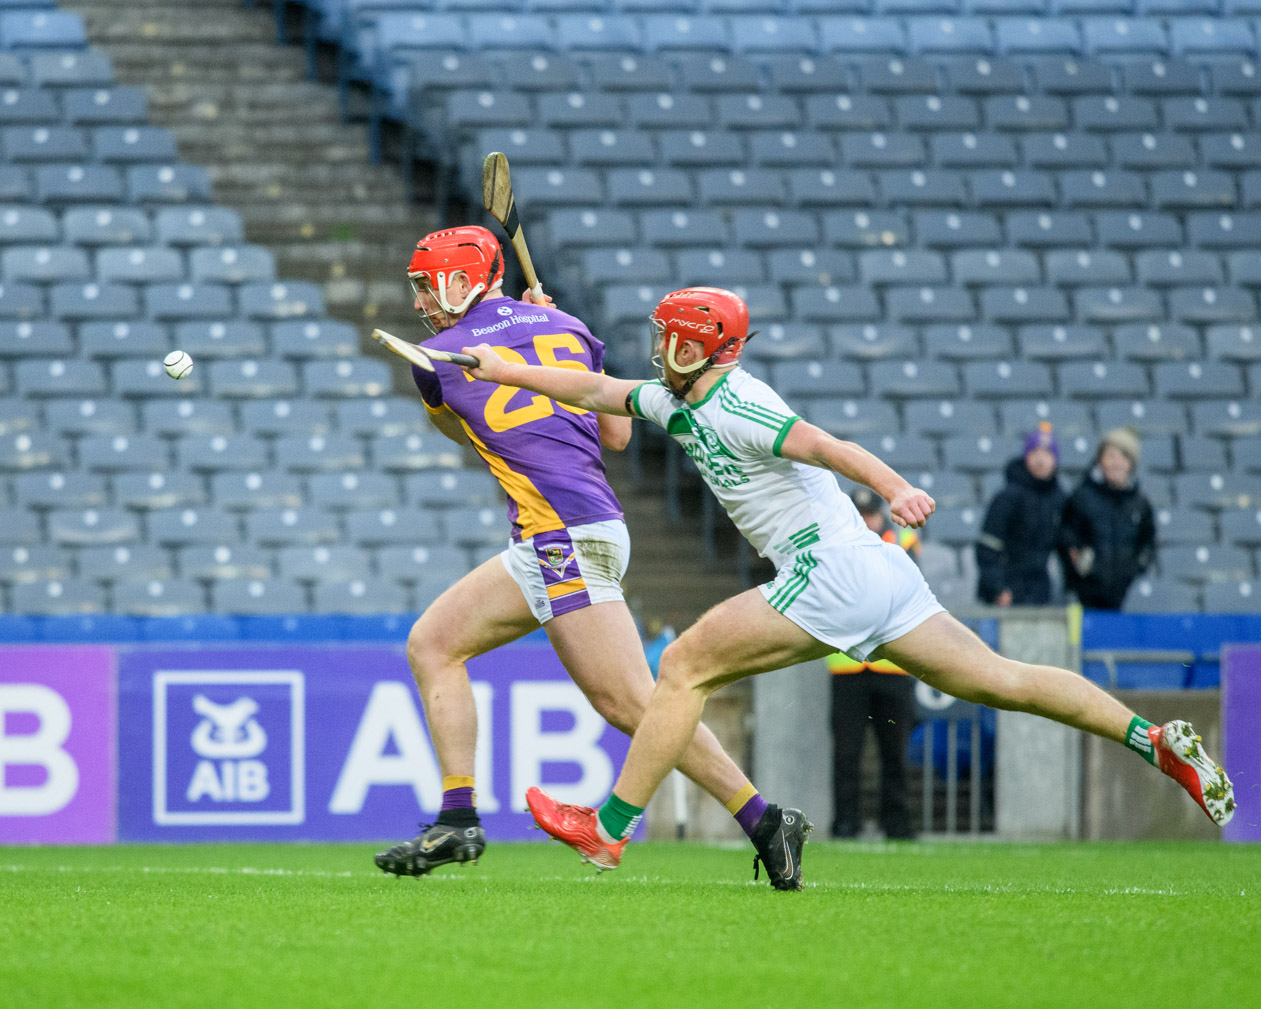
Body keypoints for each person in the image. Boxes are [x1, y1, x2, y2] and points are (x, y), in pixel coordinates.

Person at [456, 286, 1235, 884]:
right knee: (1006, 680)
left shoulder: (739, 403)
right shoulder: (675, 397)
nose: (657, 346)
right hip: (874, 571)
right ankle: (1154, 740)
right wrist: (504, 367)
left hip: (826, 565)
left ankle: (611, 825)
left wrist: (894, 486)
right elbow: (595, 393)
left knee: (683, 665)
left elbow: (826, 444)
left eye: (669, 338)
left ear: (696, 348)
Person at [373, 231, 800, 888]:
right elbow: (617, 432)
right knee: (433, 643)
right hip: (574, 529)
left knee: (631, 702)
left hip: (559, 535)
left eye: (432, 286)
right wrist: (545, 325)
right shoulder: (569, 324)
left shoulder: (433, 357)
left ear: (464, 282)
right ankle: (457, 816)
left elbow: (459, 426)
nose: (424, 302)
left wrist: (509, 341)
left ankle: (765, 819)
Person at [829, 488, 918, 840]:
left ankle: (897, 823)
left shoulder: (903, 542)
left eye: (871, 515)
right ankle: (845, 823)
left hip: (891, 665)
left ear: (881, 516)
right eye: (861, 514)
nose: (867, 521)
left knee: (895, 751)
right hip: (847, 668)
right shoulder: (836, 545)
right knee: (846, 754)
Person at [1059, 427, 1156, 610]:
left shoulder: (1140, 505)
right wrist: (1079, 561)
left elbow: (1148, 544)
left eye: (1123, 457)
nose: (1115, 463)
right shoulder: (1082, 497)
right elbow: (1066, 536)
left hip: (1124, 595)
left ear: (1131, 464)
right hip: (1083, 597)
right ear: (1100, 460)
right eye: (1110, 456)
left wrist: (1134, 568)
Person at [976, 422, 1066, 606]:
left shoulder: (1060, 500)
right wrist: (997, 588)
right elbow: (988, 547)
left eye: (1047, 454)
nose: (1041, 460)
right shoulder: (1007, 497)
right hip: (1004, 592)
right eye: (1035, 453)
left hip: (1040, 592)